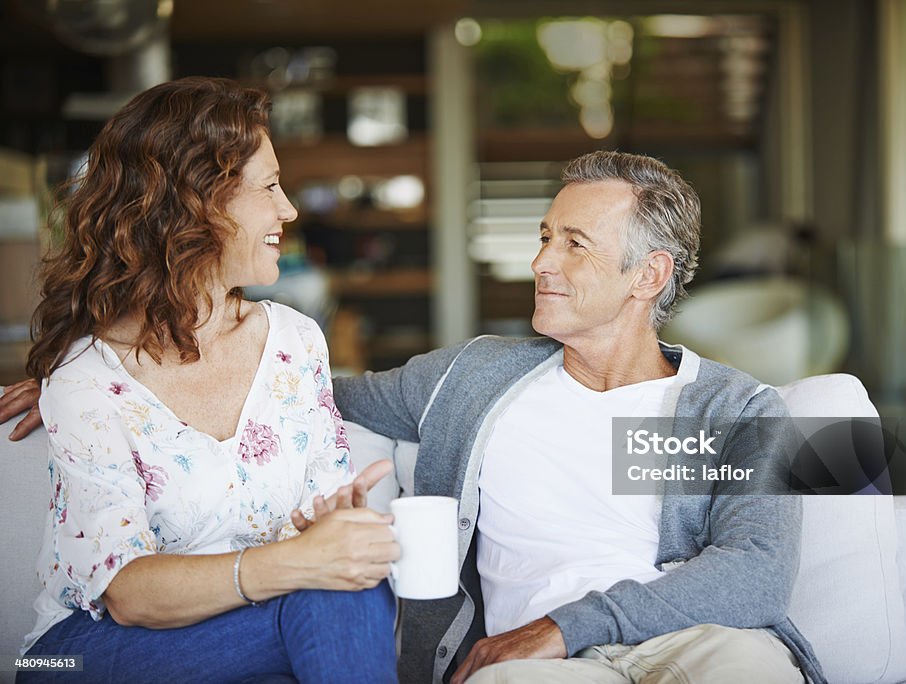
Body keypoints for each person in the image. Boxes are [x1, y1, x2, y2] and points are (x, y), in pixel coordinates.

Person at [3, 151, 824, 683]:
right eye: (544, 236)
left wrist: (565, 627)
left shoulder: (733, 408)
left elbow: (754, 571)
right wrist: (115, 373)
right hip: (527, 668)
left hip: (690, 643)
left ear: (648, 275)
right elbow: (300, 386)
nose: (540, 261)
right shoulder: (473, 377)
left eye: (573, 243)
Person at [5, 76, 399, 683]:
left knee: (340, 593)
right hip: (82, 652)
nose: (289, 209)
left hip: (258, 627)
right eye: (268, 186)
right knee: (328, 594)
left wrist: (334, 528)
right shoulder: (86, 379)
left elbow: (319, 532)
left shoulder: (295, 342)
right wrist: (299, 562)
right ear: (197, 202)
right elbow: (128, 595)